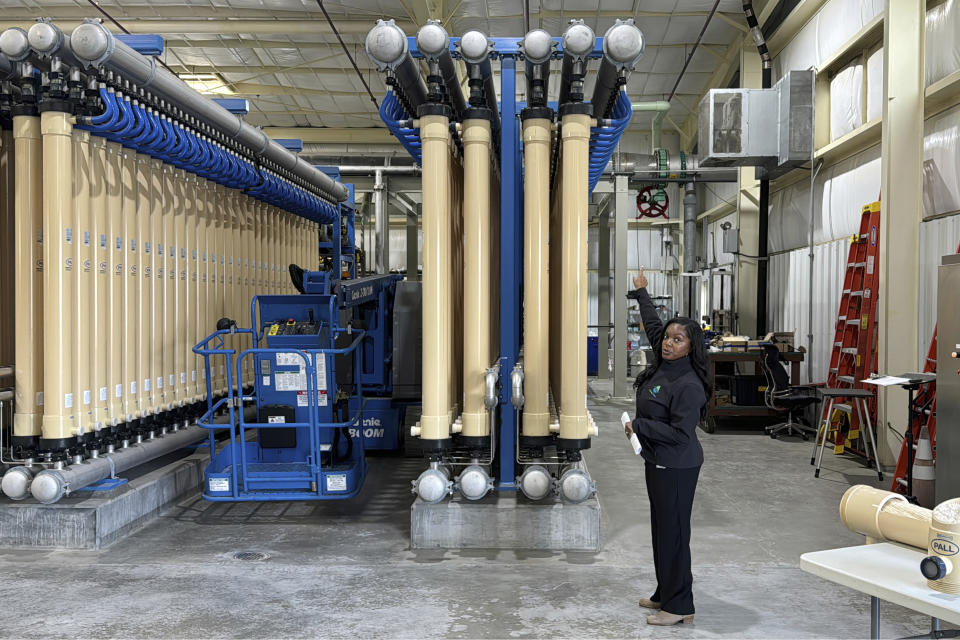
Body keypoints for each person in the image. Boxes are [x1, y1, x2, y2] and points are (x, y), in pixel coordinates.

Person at [624, 267, 712, 627]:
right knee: (662, 529)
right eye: (669, 338)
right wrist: (643, 293)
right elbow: (654, 326)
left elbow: (680, 433)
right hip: (657, 461)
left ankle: (680, 606)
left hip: (676, 466)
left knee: (674, 533)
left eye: (678, 340)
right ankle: (666, 591)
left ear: (691, 347)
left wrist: (640, 426)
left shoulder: (688, 384)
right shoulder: (665, 361)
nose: (668, 342)